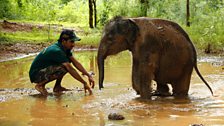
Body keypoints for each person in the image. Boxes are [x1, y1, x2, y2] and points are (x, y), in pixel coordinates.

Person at [29, 29, 94, 96]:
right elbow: (71, 69)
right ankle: (40, 85)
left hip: (43, 70)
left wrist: (88, 75)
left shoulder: (65, 49)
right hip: (36, 75)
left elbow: (76, 62)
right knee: (65, 67)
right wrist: (84, 83)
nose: (73, 44)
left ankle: (57, 87)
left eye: (74, 42)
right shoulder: (57, 51)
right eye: (71, 42)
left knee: (66, 64)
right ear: (63, 41)